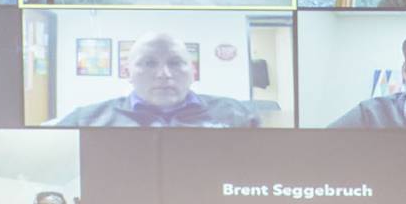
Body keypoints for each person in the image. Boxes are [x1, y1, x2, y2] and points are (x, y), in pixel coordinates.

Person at [46, 33, 257, 128]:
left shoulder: (235, 113)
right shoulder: (87, 119)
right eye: (148, 63)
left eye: (175, 63)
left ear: (192, 70)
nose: (163, 74)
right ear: (127, 72)